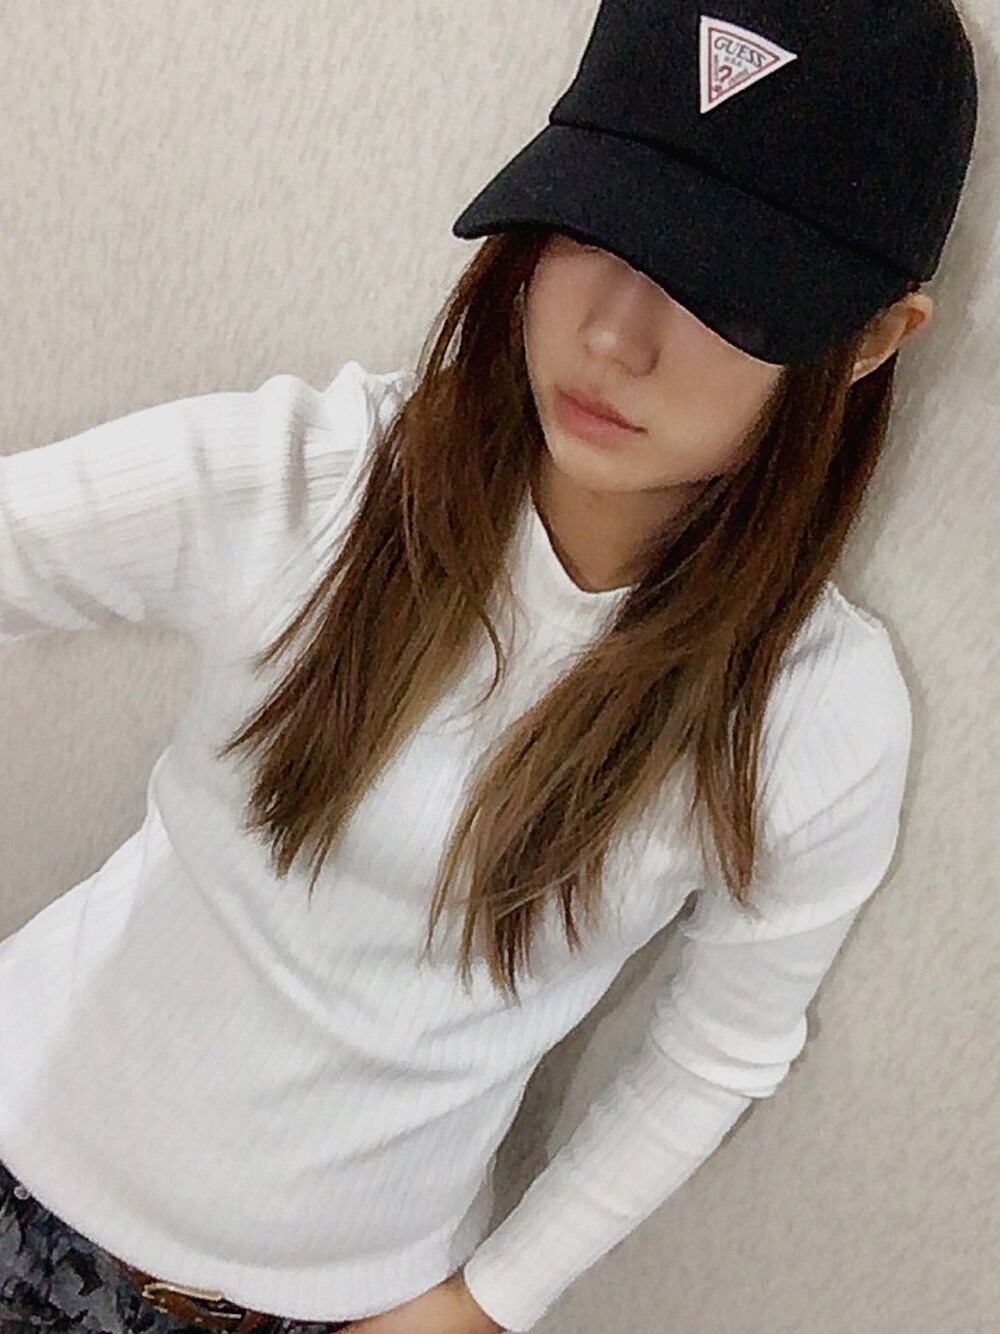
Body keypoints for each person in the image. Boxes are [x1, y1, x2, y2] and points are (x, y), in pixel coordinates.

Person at [0, 1, 978, 1332]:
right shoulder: (319, 482)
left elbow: (719, 1051)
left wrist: (485, 1303)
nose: (615, 335)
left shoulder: (811, 718)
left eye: (718, 281)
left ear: (869, 338)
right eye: (593, 227)